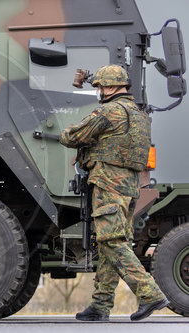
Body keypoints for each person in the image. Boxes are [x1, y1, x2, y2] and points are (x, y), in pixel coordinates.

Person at [60, 65, 169, 321]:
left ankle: (150, 294)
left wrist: (68, 136)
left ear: (109, 86)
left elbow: (73, 136)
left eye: (99, 87)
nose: (98, 91)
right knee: (113, 241)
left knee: (111, 241)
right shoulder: (138, 114)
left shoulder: (110, 111)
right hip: (130, 185)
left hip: (109, 182)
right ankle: (100, 305)